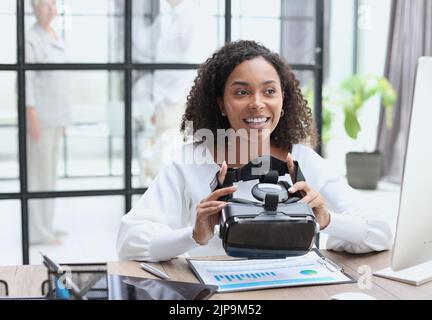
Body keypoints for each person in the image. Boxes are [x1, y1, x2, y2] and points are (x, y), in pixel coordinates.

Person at [117, 40, 393, 262]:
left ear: (283, 100)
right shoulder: (191, 161)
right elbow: (130, 242)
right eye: (241, 93)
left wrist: (326, 218)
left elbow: (380, 232)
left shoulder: (302, 159)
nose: (257, 103)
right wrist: (194, 235)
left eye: (269, 91)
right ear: (221, 104)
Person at [132, 0, 205, 185]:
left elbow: (192, 66)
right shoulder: (175, 18)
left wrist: (170, 103)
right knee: (166, 163)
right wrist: (160, 106)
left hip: (177, 104)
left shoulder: (190, 17)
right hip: (169, 104)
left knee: (169, 165)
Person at [26, 0, 71, 245]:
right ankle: (38, 232)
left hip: (56, 117)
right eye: (44, 4)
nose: (50, 8)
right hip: (40, 119)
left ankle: (47, 226)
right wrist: (31, 114)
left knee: (49, 177)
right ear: (34, 8)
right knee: (38, 178)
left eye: (52, 3)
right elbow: (26, 81)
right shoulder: (32, 38)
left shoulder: (55, 35)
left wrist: (65, 118)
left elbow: (61, 81)